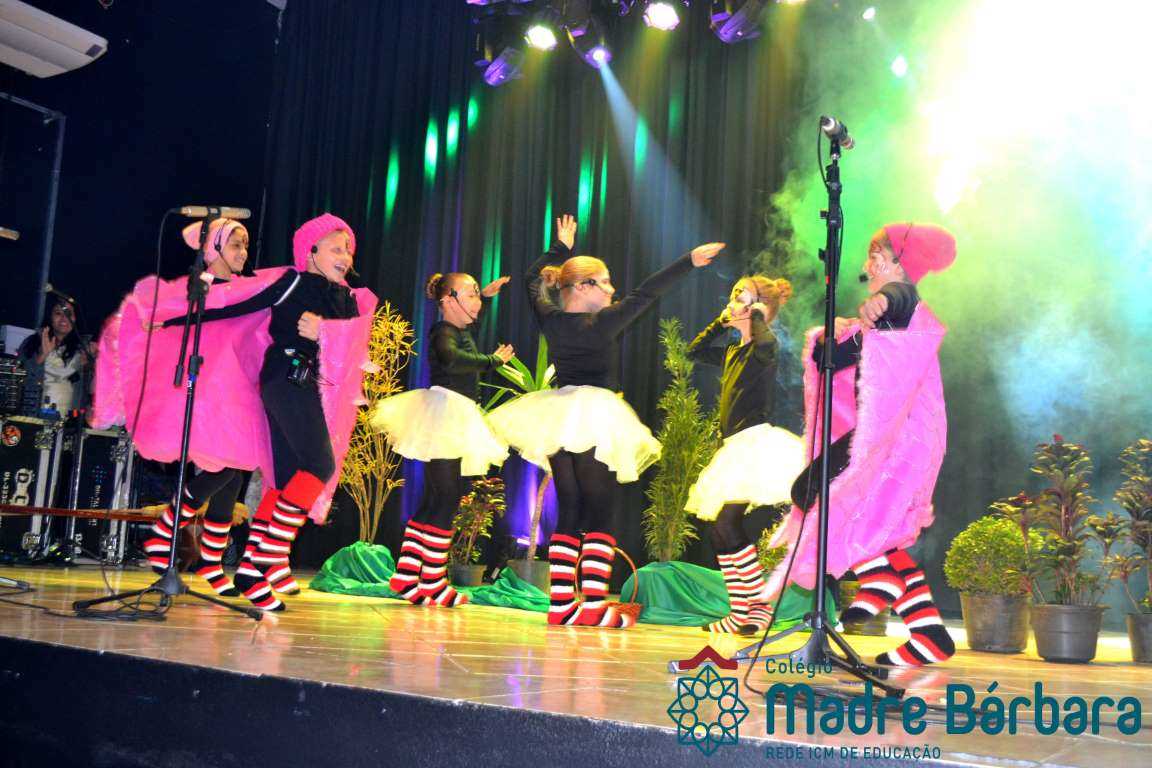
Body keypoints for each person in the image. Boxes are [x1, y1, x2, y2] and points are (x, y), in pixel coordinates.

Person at [490, 214, 724, 629]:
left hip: (560, 415)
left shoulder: (551, 319)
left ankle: (562, 604)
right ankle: (594, 605)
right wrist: (688, 260)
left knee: (570, 508)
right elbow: (647, 292)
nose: (612, 289)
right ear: (582, 287)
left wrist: (559, 249)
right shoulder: (603, 322)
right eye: (605, 282)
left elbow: (530, 279)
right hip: (595, 415)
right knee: (600, 511)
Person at [765, 222, 957, 666]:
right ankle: (928, 633)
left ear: (898, 264)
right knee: (873, 525)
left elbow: (901, 298)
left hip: (896, 438)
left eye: (877, 257)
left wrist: (882, 300)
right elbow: (830, 360)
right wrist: (830, 337)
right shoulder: (879, 324)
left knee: (815, 492)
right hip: (889, 437)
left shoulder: (904, 306)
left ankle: (880, 578)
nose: (868, 265)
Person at [371, 271, 514, 608]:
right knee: (446, 496)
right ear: (448, 300)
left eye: (477, 295)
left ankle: (408, 574)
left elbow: (468, 336)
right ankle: (432, 580)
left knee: (438, 498)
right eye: (471, 295)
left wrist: (486, 297)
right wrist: (492, 360)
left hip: (456, 413)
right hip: (444, 413)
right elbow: (452, 358)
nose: (477, 302)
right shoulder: (443, 331)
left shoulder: (460, 329)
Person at [685, 275, 805, 634]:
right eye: (734, 294)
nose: (733, 300)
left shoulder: (763, 349)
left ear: (759, 310)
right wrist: (721, 323)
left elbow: (765, 339)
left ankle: (758, 607)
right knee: (719, 532)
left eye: (743, 297)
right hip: (733, 448)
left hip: (753, 446)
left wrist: (756, 315)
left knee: (726, 525)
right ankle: (742, 612)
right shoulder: (733, 351)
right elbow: (694, 350)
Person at [18, 299, 93, 414]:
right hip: (33, 416)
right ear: (50, 317)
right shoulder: (32, 343)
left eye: (68, 313)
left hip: (69, 419)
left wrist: (89, 367)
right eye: (58, 313)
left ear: (75, 318)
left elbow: (90, 392)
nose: (64, 318)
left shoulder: (84, 348)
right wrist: (42, 357)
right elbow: (19, 381)